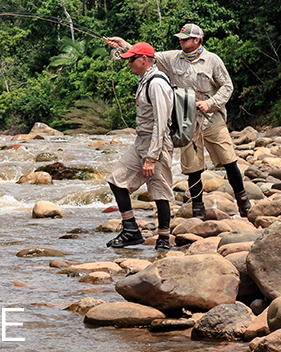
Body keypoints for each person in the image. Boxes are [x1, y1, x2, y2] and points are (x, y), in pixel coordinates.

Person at [104, 25, 250, 219]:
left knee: (229, 160)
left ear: (197, 40)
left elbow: (227, 86)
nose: (181, 42)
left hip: (212, 119)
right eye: (180, 39)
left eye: (185, 39)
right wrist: (124, 46)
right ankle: (198, 210)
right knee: (193, 168)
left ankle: (243, 202)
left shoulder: (213, 60)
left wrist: (210, 103)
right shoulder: (172, 58)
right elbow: (144, 58)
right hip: (185, 121)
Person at [103, 41, 175, 251]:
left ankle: (163, 239)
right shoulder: (145, 79)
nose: (128, 64)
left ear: (144, 60)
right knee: (116, 180)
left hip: (158, 143)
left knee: (160, 191)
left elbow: (162, 123)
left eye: (132, 59)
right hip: (141, 141)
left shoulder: (157, 83)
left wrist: (152, 157)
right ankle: (131, 231)